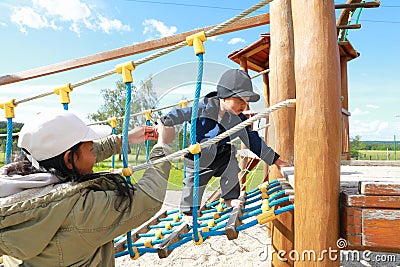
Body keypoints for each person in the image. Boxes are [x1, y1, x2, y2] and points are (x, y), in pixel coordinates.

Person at [0, 110, 175, 266]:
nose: (94, 154)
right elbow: (147, 197)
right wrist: (163, 146)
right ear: (69, 159)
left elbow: (72, 156)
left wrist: (123, 140)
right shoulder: (79, 210)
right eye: (91, 149)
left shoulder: (13, 181)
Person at [160, 69, 291, 224]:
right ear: (223, 96)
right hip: (199, 157)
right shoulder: (202, 109)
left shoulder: (239, 120)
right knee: (194, 183)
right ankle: (189, 212)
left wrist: (275, 160)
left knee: (232, 166)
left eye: (246, 101)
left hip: (220, 155)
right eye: (240, 100)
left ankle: (230, 199)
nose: (244, 105)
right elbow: (182, 113)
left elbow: (253, 140)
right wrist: (167, 120)